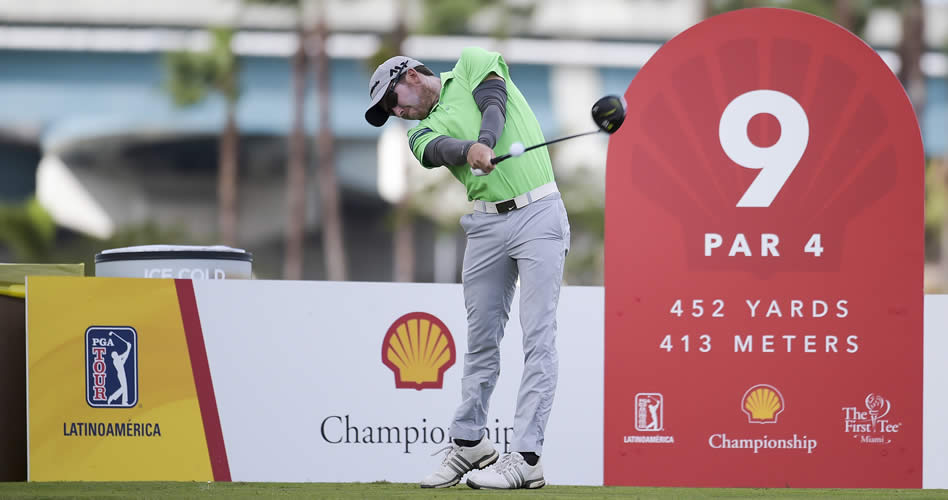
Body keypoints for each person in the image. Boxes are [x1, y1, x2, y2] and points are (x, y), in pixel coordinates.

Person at [365, 47, 570, 490]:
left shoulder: (474, 63)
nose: (397, 112)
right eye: (389, 111)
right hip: (484, 224)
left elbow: (493, 102)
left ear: (413, 76)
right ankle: (470, 442)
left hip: (539, 213)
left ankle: (527, 458)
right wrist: (469, 148)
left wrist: (487, 142)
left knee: (537, 336)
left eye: (393, 101)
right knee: (481, 341)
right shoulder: (420, 133)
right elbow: (441, 150)